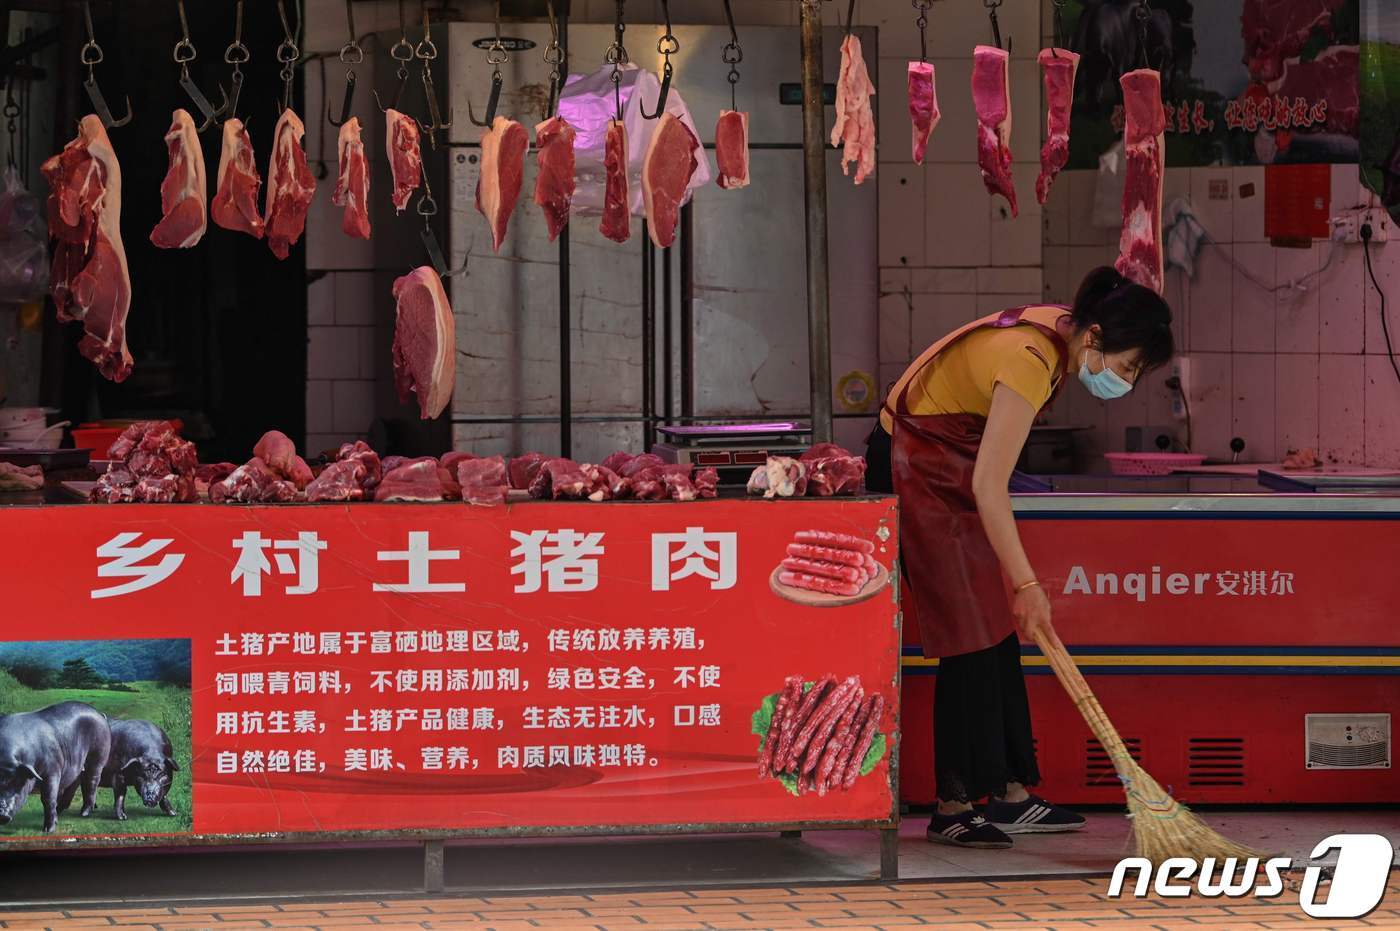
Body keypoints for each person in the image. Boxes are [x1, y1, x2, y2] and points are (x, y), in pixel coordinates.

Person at [865, 267, 1175, 849]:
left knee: (993, 633)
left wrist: (1020, 589)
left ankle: (1010, 793)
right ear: (1098, 336)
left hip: (945, 466)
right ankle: (953, 807)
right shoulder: (1032, 358)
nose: (1126, 382)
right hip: (914, 466)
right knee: (967, 636)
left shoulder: (1060, 331)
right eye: (1129, 366)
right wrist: (1028, 584)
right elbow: (989, 485)